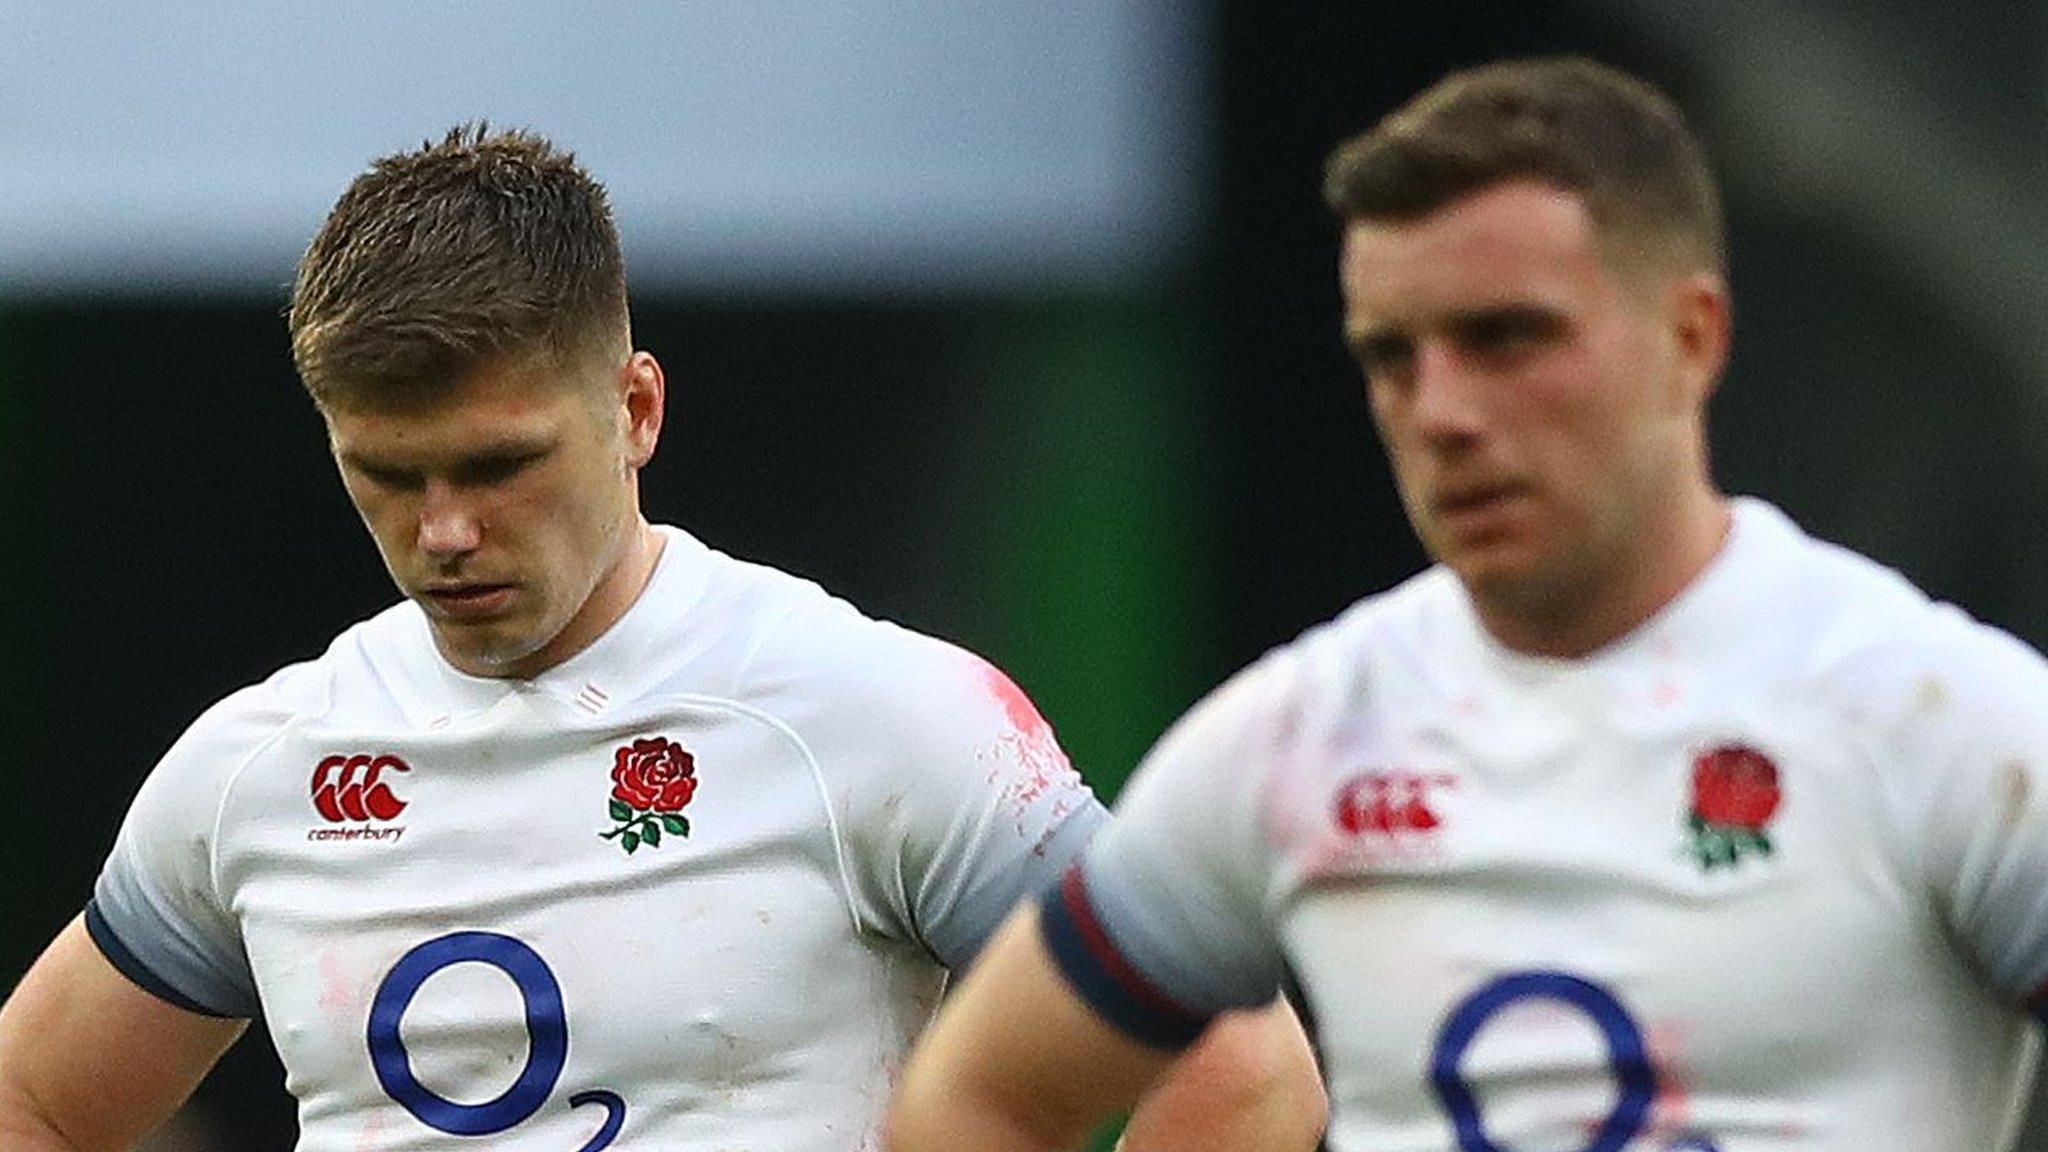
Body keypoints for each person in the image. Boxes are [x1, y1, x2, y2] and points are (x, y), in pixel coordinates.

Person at [0, 126, 1321, 1152]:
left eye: (497, 463)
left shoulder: (867, 715)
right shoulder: (260, 767)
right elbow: (38, 1105)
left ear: (635, 410)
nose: (444, 530)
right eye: (388, 475)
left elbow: (1242, 1075)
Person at [886, 56, 2048, 1152]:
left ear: (1690, 337)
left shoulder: (1930, 718)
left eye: (1505, 337)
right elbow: (983, 1097)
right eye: (1391, 356)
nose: (1439, 411)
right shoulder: (1301, 738)